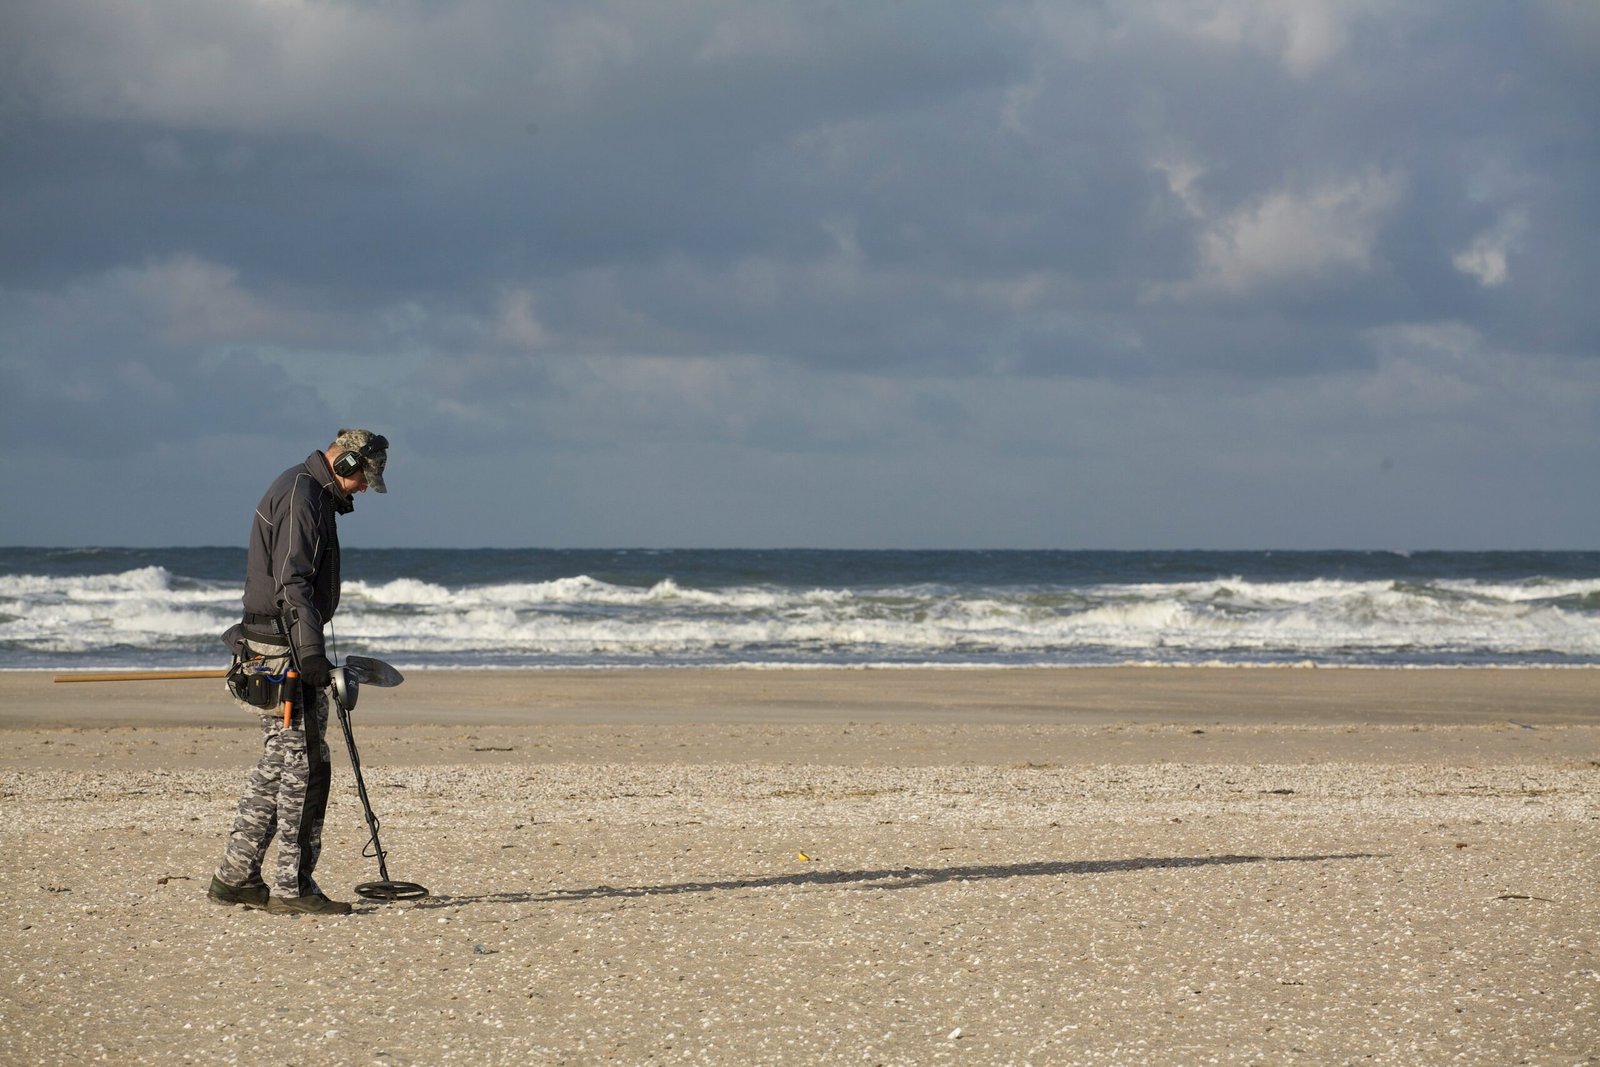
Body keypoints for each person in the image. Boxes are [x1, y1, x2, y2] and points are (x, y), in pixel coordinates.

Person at [208, 428, 389, 915]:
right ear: (345, 463)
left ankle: (236, 876)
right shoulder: (302, 495)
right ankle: (293, 887)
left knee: (280, 761)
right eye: (364, 478)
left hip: (274, 644)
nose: (364, 489)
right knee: (307, 764)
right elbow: (294, 582)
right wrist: (309, 656)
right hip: (283, 651)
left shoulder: (306, 491)